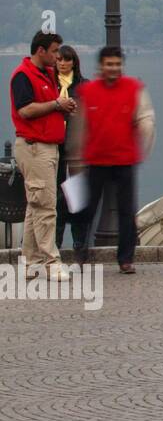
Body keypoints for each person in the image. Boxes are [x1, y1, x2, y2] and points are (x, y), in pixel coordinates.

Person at [68, 47, 156, 273]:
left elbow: (146, 119)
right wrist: (75, 158)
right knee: (87, 210)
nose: (114, 68)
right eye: (109, 64)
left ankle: (125, 259)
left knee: (127, 212)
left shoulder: (134, 88)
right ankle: (81, 251)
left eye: (117, 64)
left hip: (125, 160)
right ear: (101, 67)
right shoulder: (87, 91)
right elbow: (80, 126)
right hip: (95, 160)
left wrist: (145, 147)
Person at [8, 31, 75, 282]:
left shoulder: (46, 74)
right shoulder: (23, 76)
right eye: (55, 51)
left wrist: (63, 106)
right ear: (41, 51)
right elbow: (25, 110)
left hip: (47, 147)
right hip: (34, 147)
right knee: (46, 207)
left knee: (34, 206)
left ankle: (29, 263)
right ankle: (52, 262)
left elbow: (47, 107)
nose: (59, 56)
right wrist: (57, 105)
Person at [54, 44, 89, 255]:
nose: (63, 63)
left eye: (67, 59)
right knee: (56, 195)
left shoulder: (84, 86)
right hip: (55, 146)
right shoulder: (49, 85)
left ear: (74, 62)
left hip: (78, 148)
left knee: (78, 194)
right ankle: (55, 241)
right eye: (59, 59)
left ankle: (80, 242)